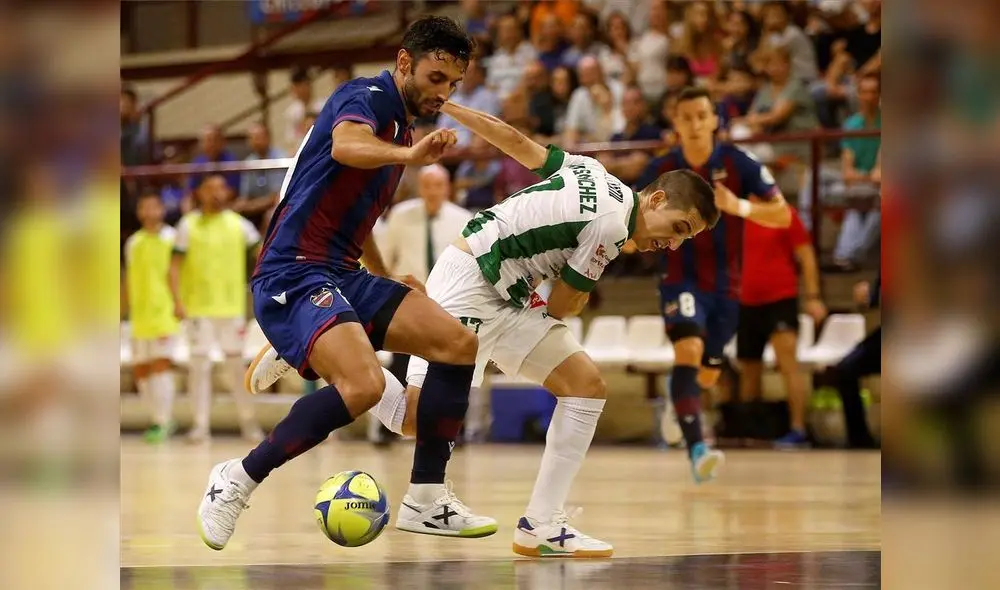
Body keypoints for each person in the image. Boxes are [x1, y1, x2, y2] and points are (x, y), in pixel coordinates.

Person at [374, 99, 719, 556]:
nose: (672, 244)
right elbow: (563, 304)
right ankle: (340, 353)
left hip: (507, 288)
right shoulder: (611, 229)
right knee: (414, 420)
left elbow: (513, 141)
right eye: (678, 227)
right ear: (656, 199)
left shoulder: (594, 172)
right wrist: (566, 295)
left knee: (585, 385)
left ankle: (541, 524)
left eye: (684, 239)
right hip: (472, 281)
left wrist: (451, 107)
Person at [198, 17, 484, 551]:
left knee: (457, 348)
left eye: (453, 84)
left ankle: (426, 499)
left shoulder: (402, 127)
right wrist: (409, 157)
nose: (443, 93)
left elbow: (359, 215)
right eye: (436, 77)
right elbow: (347, 146)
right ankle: (237, 477)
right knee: (364, 387)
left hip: (344, 273)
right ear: (405, 62)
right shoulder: (367, 97)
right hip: (292, 271)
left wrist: (381, 274)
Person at [637, 87, 791, 480]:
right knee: (688, 350)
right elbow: (633, 215)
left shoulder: (738, 163)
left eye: (701, 116)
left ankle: (679, 403)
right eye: (686, 117)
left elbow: (783, 215)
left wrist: (739, 206)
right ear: (675, 122)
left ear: (714, 120)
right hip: (679, 278)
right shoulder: (662, 168)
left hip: (726, 287)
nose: (694, 124)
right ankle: (698, 450)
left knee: (708, 372)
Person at [171, 175, 264, 444]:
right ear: (199, 193)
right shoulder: (187, 225)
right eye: (209, 188)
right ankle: (200, 426)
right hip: (197, 309)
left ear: (228, 193)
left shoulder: (241, 225)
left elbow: (262, 255)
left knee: (237, 368)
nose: (216, 193)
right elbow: (174, 266)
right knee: (199, 368)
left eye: (221, 188)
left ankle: (249, 423)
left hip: (231, 308)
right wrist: (177, 300)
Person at [737, 207, 827, 447]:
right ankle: (751, 430)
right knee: (749, 367)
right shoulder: (740, 215)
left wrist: (813, 296)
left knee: (788, 365)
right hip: (747, 301)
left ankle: (798, 428)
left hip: (780, 299)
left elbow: (806, 255)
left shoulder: (784, 214)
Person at [123, 193, 179, 443]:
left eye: (154, 207)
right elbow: (128, 278)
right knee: (141, 371)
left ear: (162, 210)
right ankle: (157, 419)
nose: (149, 212)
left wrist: (179, 303)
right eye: (144, 207)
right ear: (138, 212)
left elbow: (179, 273)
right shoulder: (133, 242)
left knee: (160, 366)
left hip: (165, 312)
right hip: (139, 315)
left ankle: (163, 421)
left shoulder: (172, 238)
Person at [237, 123, 286, 232]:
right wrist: (239, 206)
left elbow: (275, 197)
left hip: (276, 206)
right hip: (254, 208)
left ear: (268, 138)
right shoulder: (248, 162)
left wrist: (251, 206)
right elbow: (245, 196)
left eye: (259, 137)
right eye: (252, 138)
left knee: (270, 215)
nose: (256, 141)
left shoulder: (280, 159)